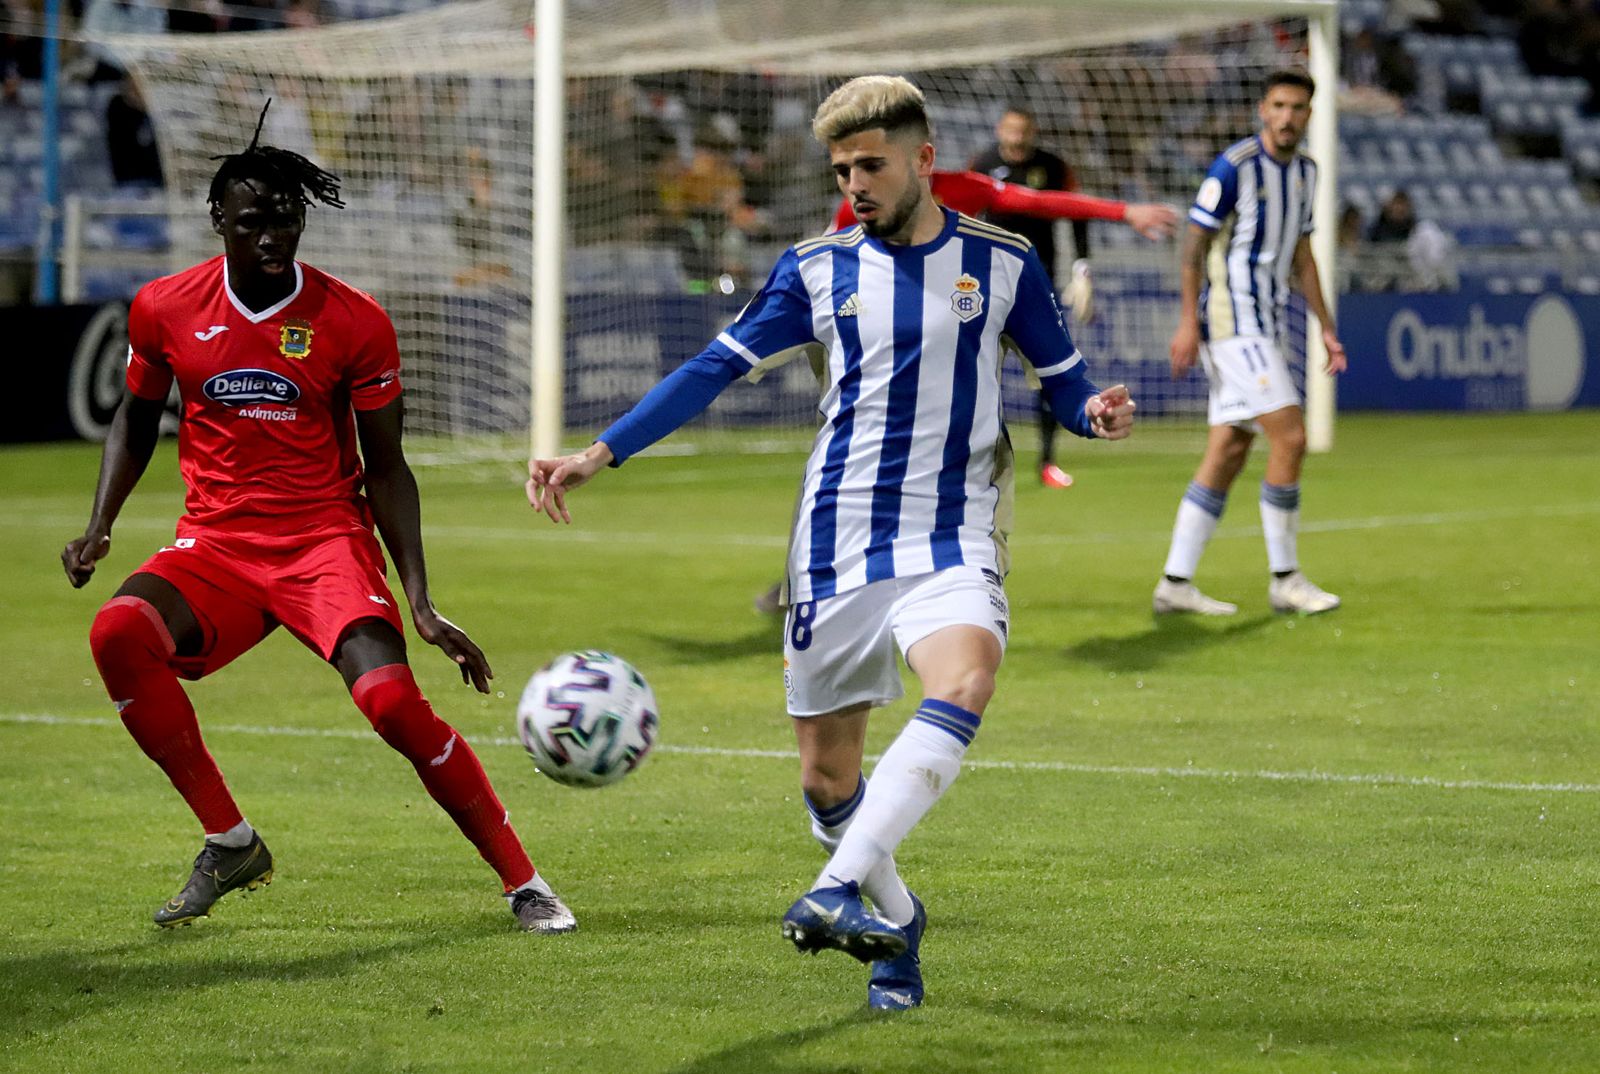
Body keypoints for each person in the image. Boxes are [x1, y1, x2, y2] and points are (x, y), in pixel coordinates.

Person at [527, 75, 1135, 1010]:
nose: (855, 184)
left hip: (952, 528)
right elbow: (711, 370)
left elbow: (1066, 384)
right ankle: (899, 923)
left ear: (924, 160)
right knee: (827, 782)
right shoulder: (815, 268)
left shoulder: (1003, 262)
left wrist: (1094, 413)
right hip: (835, 540)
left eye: (872, 166)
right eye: (843, 169)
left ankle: (835, 888)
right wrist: (600, 452)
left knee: (966, 678)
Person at [60, 106, 575, 934]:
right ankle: (231, 841)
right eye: (253, 222)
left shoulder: (352, 319)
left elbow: (388, 468)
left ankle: (524, 882)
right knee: (118, 632)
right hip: (216, 548)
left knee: (394, 706)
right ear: (219, 219)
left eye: (286, 219)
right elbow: (134, 417)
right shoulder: (163, 307)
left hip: (323, 545)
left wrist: (421, 601)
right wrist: (100, 526)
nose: (272, 237)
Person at [1154, 69, 1347, 617]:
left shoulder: (1307, 172)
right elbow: (1194, 245)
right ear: (1263, 110)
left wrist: (1325, 326)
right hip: (1232, 324)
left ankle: (1174, 582)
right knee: (1291, 438)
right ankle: (1286, 578)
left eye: (1298, 108)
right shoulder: (1234, 166)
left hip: (1268, 324)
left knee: (1229, 450)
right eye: (1279, 106)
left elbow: (1302, 256)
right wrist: (1187, 321)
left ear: (1309, 115)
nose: (1288, 117)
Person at [971, 107, 1090, 490]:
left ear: (1032, 131)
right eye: (1011, 130)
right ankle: (976, 459)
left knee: (1051, 370)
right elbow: (961, 216)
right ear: (1000, 130)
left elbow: (1077, 213)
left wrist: (1082, 266)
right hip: (988, 283)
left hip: (1039, 284)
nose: (1017, 138)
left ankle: (1048, 461)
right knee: (977, 371)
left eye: (1023, 131)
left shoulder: (1053, 166)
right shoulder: (981, 165)